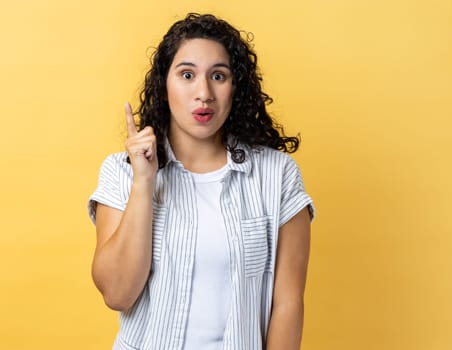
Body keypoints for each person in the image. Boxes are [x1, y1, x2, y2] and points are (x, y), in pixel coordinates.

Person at [88, 13, 314, 350]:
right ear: (164, 87)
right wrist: (144, 183)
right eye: (187, 75)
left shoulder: (277, 176)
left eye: (218, 76)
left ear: (235, 88)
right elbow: (118, 293)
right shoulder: (121, 172)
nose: (204, 93)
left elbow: (287, 303)